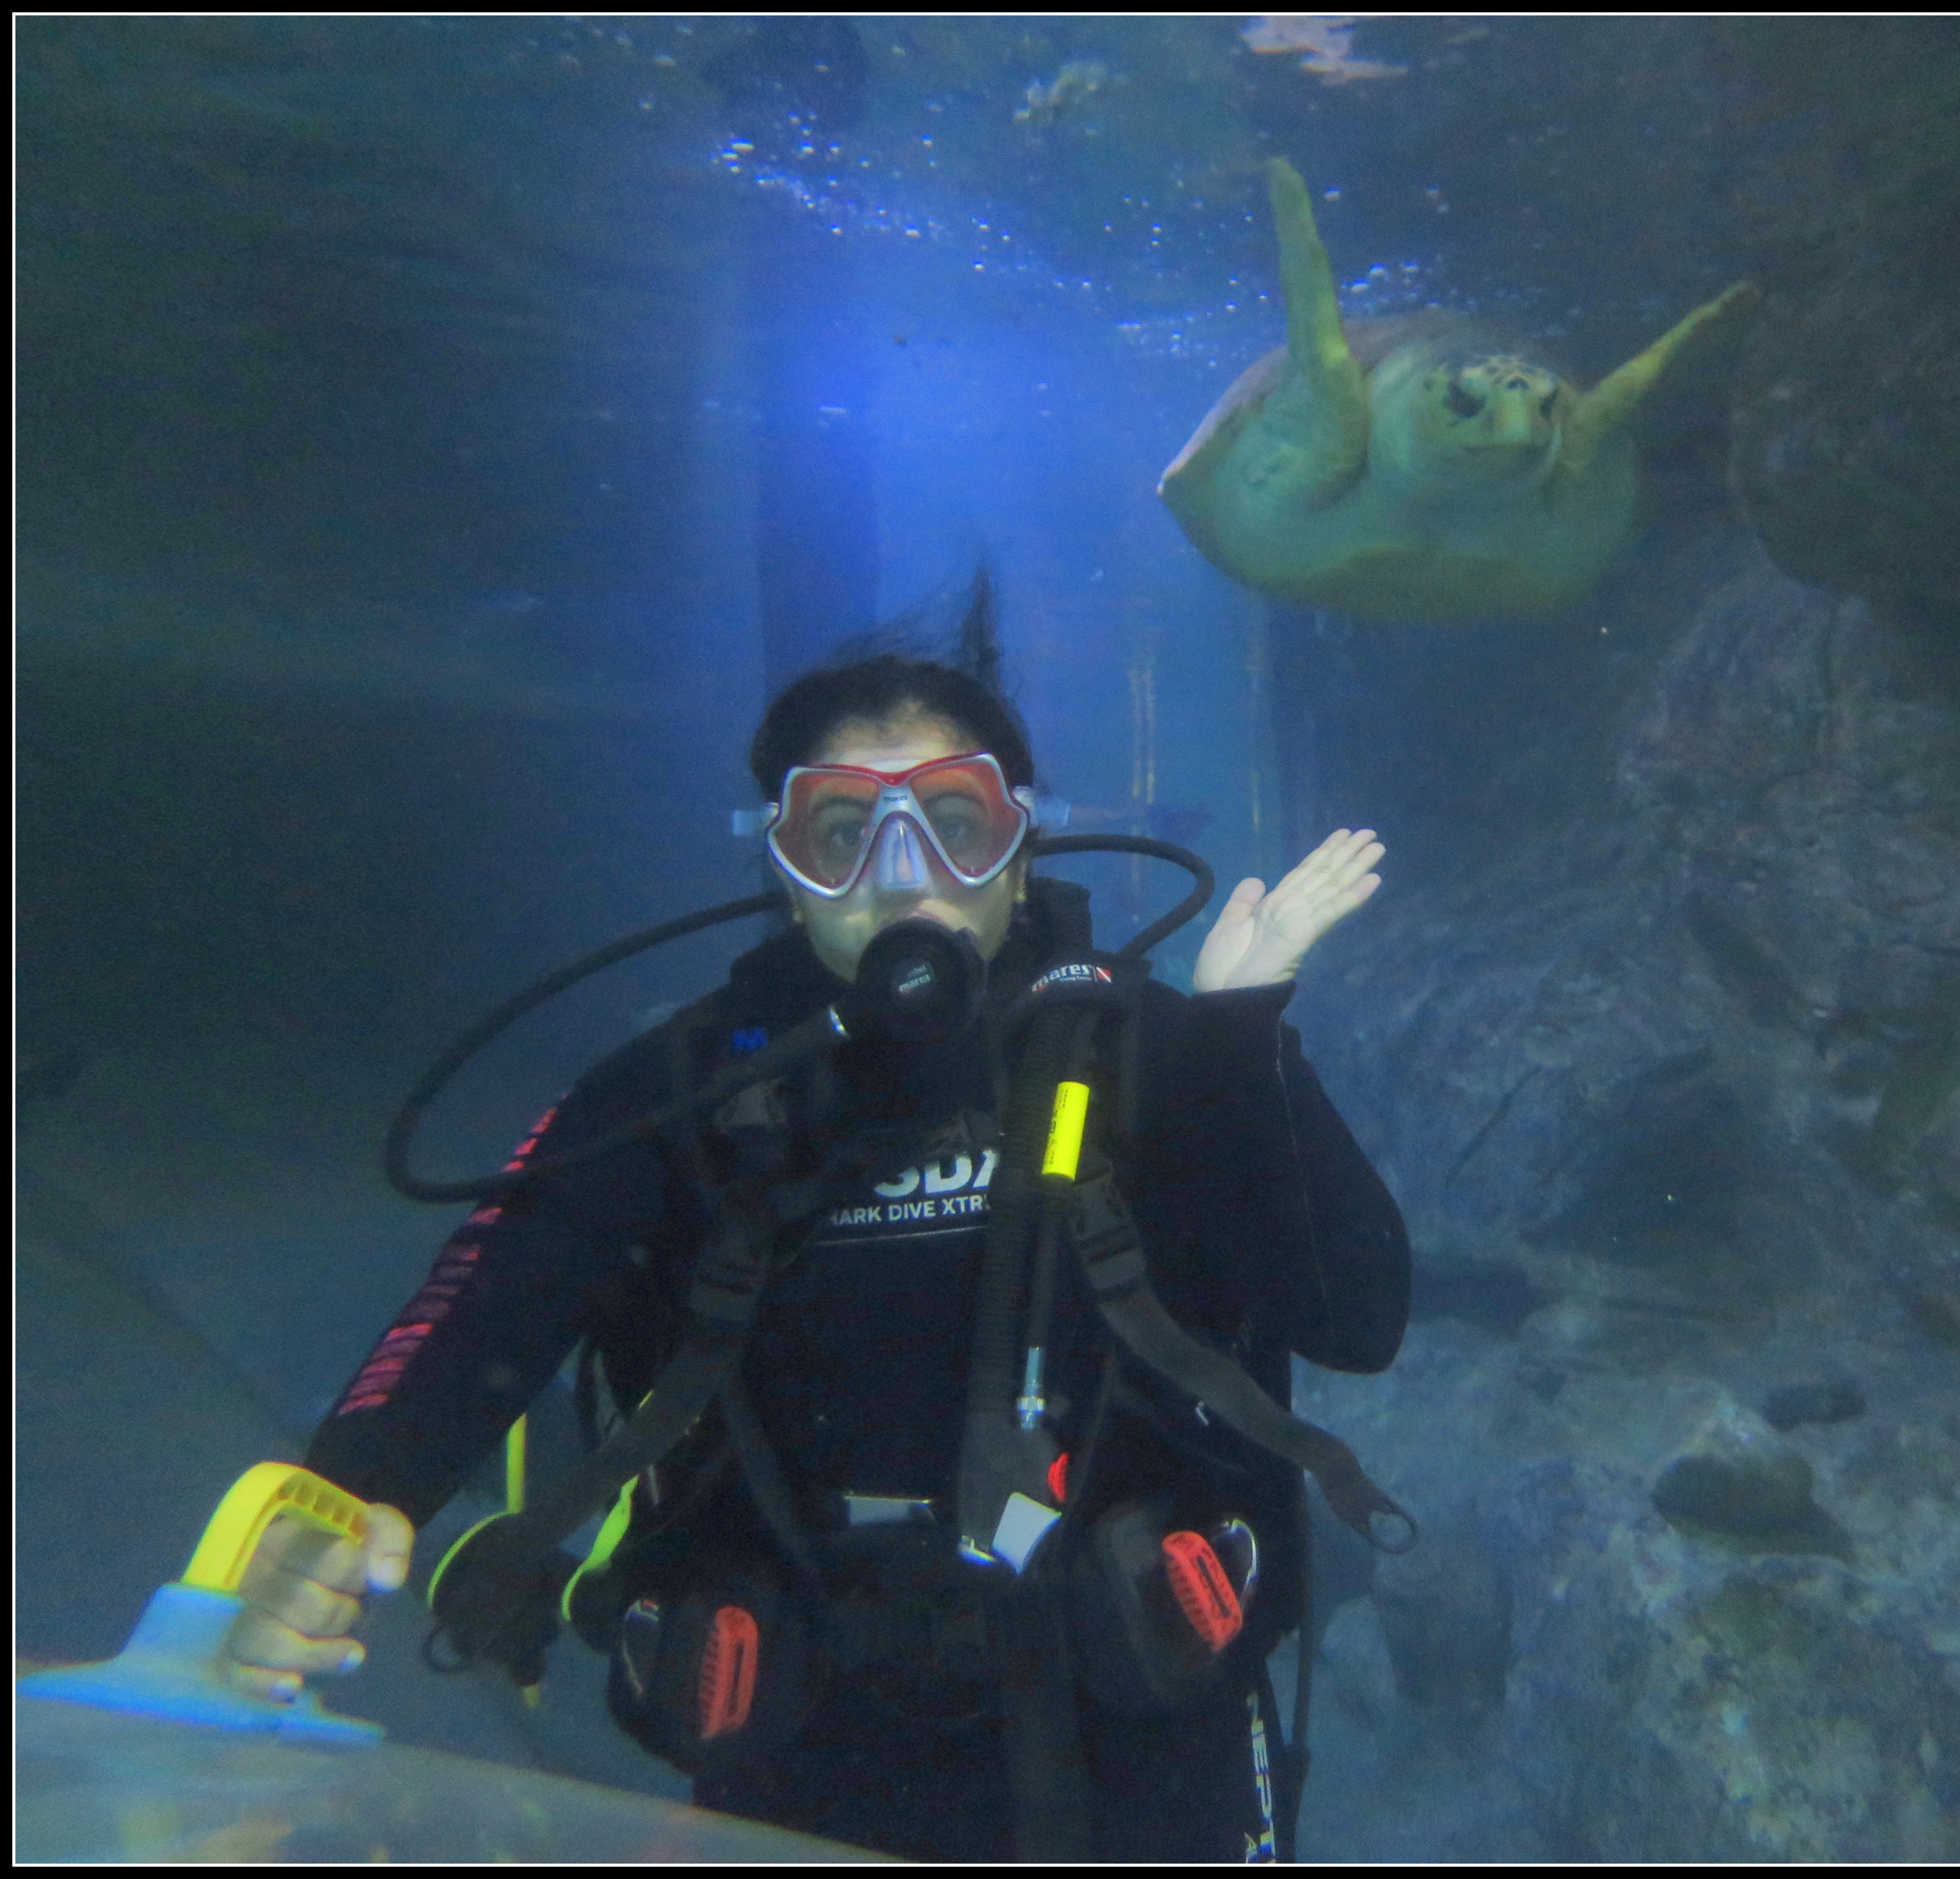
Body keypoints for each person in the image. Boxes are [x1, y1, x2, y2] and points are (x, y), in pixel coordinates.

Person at [223, 582, 1412, 1862]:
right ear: (785, 871)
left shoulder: (1147, 1051)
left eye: (954, 822)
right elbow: (480, 1310)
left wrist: (1243, 1041)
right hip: (807, 1741)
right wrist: (330, 1507)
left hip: (1145, 1737)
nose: (905, 876)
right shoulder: (684, 1093)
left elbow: (1354, 1317)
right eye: (841, 831)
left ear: (1020, 849)